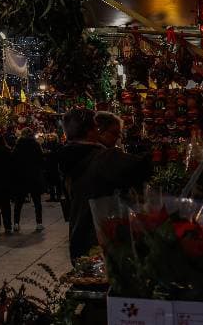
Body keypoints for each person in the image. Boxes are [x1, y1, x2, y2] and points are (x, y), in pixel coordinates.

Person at [58, 108, 152, 261]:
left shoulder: (70, 156)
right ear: (92, 130)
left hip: (79, 237)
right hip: (102, 241)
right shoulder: (104, 157)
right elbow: (142, 167)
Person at [11, 128, 45, 233]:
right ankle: (39, 223)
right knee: (37, 201)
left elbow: (13, 160)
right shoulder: (36, 145)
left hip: (21, 177)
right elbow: (41, 159)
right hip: (34, 176)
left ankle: (16, 223)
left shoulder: (18, 146)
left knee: (19, 202)